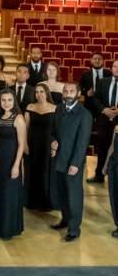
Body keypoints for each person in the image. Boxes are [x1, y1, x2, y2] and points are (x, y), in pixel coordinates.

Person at [50, 83, 92, 241]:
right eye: (65, 91)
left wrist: (76, 164)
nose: (68, 94)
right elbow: (53, 132)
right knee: (62, 192)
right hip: (59, 159)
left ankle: (74, 229)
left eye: (71, 91)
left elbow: (83, 143)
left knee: (74, 196)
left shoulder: (84, 114)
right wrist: (53, 141)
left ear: (78, 93)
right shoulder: (59, 109)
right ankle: (65, 220)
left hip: (73, 162)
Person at [0, 89, 26, 241]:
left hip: (11, 160)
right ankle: (0, 225)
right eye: (3, 100)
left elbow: (21, 145)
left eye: (9, 100)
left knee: (9, 194)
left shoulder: (18, 118)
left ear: (14, 101)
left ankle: (8, 229)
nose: (6, 103)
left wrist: (16, 166)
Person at [24, 83, 56, 211]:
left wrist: (54, 146)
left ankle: (45, 203)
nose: (39, 94)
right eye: (36, 92)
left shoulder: (55, 108)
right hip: (32, 144)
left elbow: (56, 130)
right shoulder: (30, 107)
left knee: (45, 172)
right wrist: (25, 144)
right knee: (32, 172)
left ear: (47, 93)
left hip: (47, 145)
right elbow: (25, 128)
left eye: (41, 91)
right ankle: (32, 202)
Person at [88, 60, 118, 184]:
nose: (117, 69)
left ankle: (114, 177)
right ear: (111, 68)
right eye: (115, 66)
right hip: (103, 120)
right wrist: (104, 110)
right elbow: (95, 99)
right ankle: (99, 175)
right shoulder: (102, 82)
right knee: (102, 149)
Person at [79, 52, 112, 116]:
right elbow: (79, 89)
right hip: (89, 105)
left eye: (100, 59)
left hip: (105, 106)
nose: (97, 61)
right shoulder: (85, 74)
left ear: (103, 61)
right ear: (91, 61)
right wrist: (86, 93)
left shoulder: (109, 73)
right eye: (95, 59)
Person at [103, 124, 118, 238]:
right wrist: (106, 164)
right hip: (114, 165)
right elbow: (112, 146)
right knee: (114, 196)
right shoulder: (117, 127)